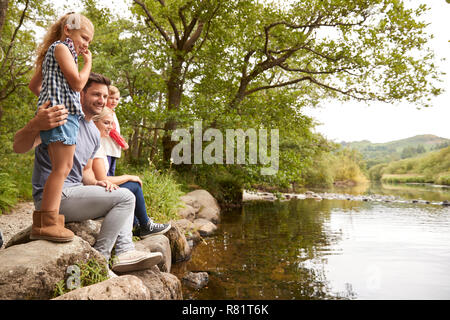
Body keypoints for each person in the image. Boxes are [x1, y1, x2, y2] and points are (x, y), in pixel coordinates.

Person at [14, 73, 162, 273]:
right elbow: (18, 147)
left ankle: (124, 252)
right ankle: (103, 258)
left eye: (104, 95)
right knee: (125, 198)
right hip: (52, 199)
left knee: (122, 195)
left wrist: (100, 184)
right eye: (95, 94)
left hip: (75, 192)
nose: (101, 100)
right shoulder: (62, 117)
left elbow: (86, 173)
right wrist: (35, 124)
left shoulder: (93, 131)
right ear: (81, 94)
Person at [27, 13, 94, 242]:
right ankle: (46, 223)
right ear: (68, 30)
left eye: (89, 42)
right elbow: (77, 84)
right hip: (63, 117)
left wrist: (48, 99)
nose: (86, 44)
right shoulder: (62, 49)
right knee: (62, 169)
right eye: (84, 37)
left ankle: (50, 219)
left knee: (61, 168)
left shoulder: (53, 53)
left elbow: (34, 85)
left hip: (63, 116)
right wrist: (88, 64)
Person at [92, 107, 171, 238]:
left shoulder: (99, 144)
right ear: (94, 122)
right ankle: (144, 225)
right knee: (133, 185)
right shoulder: (94, 144)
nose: (110, 127)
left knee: (131, 186)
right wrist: (129, 176)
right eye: (106, 123)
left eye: (112, 124)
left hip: (97, 188)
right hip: (93, 191)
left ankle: (138, 224)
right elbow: (102, 178)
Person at [102, 85, 129, 176]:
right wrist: (123, 143)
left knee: (111, 172)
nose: (114, 101)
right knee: (106, 173)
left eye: (117, 99)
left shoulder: (112, 112)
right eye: (111, 98)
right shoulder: (106, 112)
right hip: (106, 149)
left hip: (112, 149)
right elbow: (112, 131)